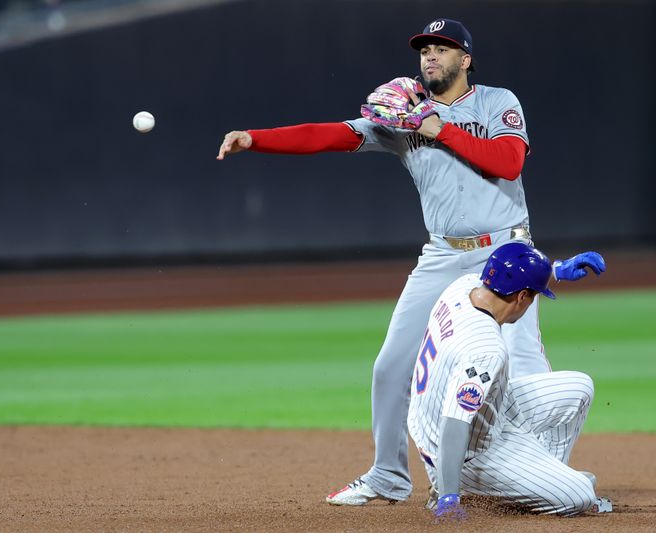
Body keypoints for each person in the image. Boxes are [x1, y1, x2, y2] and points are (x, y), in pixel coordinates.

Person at [217, 18, 605, 505]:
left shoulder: (497, 102)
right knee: (391, 366)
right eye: (425, 49)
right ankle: (387, 475)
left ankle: (542, 472)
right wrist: (256, 138)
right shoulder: (402, 119)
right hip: (442, 254)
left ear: (464, 60)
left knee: (526, 367)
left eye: (442, 49)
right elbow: (332, 134)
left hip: (506, 252)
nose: (430, 57)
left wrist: (437, 129)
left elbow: (508, 162)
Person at [408, 242, 612, 519]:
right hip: (465, 453)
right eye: (533, 295)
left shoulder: (463, 287)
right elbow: (454, 424)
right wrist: (448, 497)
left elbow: (509, 275)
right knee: (579, 496)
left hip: (474, 415)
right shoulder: (485, 349)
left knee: (579, 387)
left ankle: (543, 475)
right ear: (522, 297)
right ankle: (468, 487)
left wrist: (555, 270)